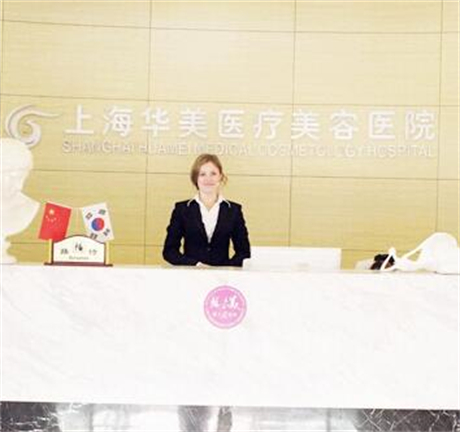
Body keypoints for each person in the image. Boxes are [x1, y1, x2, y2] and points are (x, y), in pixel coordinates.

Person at [163, 153, 251, 268]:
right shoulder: (182, 209)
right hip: (190, 274)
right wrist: (196, 265)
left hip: (223, 276)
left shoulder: (233, 210)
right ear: (195, 178)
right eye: (202, 174)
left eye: (213, 174)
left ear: (220, 176)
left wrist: (224, 269)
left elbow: (244, 252)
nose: (208, 179)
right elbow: (169, 251)